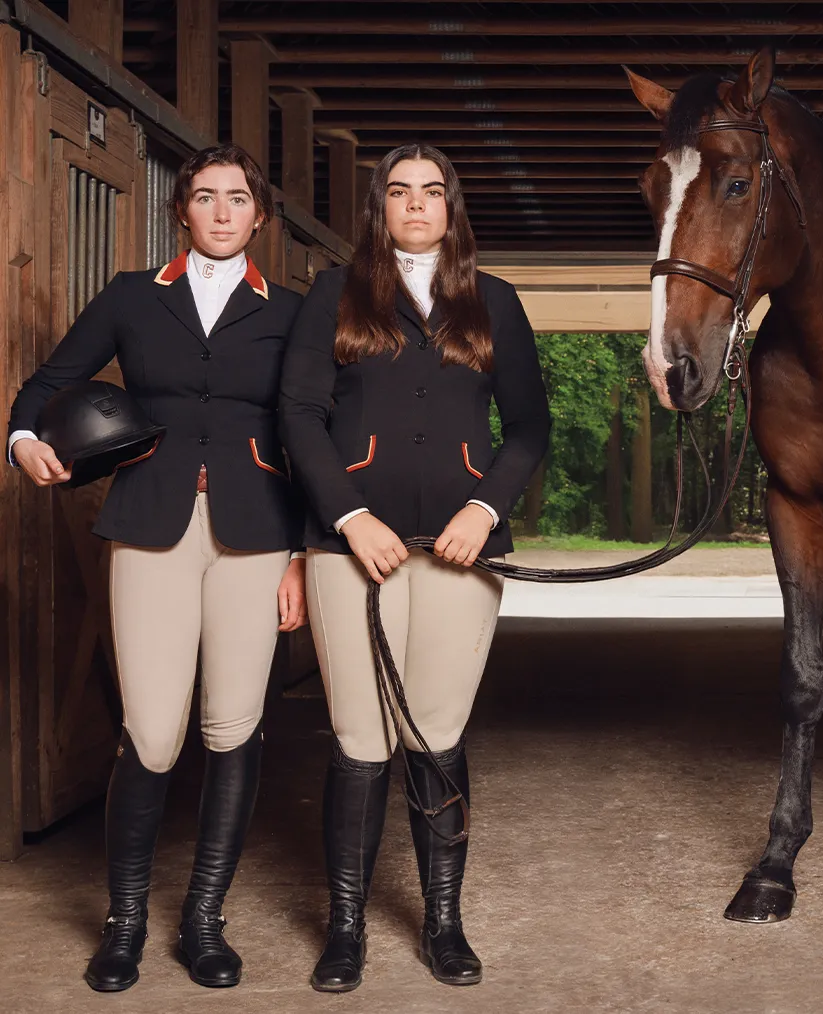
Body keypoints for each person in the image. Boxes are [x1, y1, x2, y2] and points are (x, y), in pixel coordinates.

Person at [7, 143, 306, 991]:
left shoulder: (292, 310)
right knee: (151, 731)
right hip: (148, 528)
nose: (221, 212)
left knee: (234, 726)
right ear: (181, 211)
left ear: (260, 217)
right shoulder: (134, 298)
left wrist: (302, 558)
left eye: (237, 199)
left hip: (257, 536)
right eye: (205, 197)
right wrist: (24, 441)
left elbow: (310, 434)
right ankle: (125, 922)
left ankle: (205, 922)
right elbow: (45, 385)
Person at [279, 143, 550, 991]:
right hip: (351, 549)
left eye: (433, 192)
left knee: (435, 737)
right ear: (380, 207)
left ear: (453, 207)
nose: (417, 205)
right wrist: (349, 517)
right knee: (361, 740)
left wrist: (485, 507)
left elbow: (531, 427)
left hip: (462, 554)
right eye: (400, 192)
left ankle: (444, 923)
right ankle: (347, 929)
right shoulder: (334, 294)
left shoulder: (495, 302)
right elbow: (297, 414)